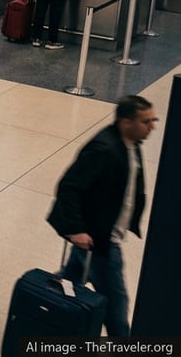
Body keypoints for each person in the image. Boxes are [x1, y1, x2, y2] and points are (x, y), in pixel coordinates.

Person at [47, 95, 152, 338]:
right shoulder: (105, 149)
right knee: (116, 309)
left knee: (70, 278)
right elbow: (69, 186)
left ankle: (44, 308)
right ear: (126, 123)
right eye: (146, 121)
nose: (152, 126)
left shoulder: (130, 144)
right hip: (101, 241)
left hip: (97, 235)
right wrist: (76, 229)